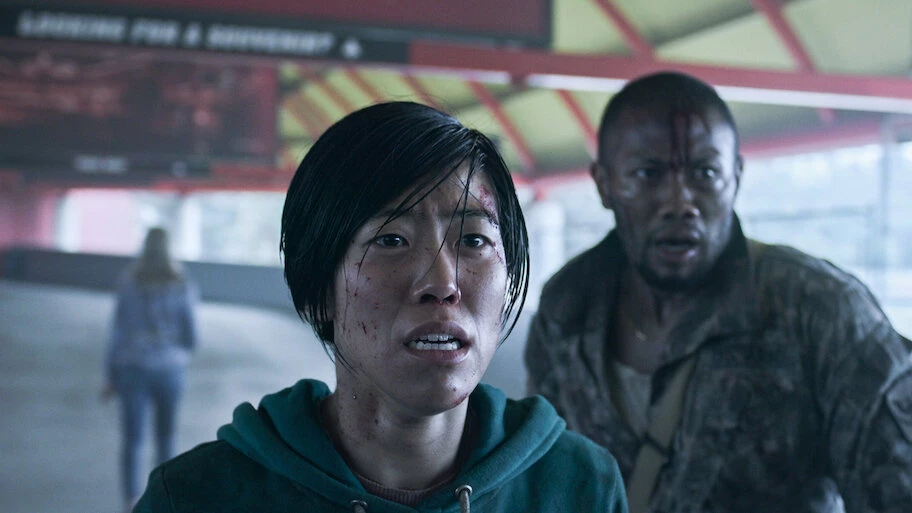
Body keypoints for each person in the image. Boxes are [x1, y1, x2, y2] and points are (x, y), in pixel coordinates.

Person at [133, 101, 627, 513]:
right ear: (318, 289)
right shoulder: (196, 498)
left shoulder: (578, 487)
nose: (442, 284)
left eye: (474, 240)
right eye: (392, 240)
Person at [524, 71, 912, 513]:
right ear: (604, 185)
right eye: (647, 174)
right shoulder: (568, 306)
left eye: (705, 172)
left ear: (736, 177)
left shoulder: (819, 310)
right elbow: (542, 480)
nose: (679, 202)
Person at [102, 227, 198, 512]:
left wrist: (110, 374)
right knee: (166, 437)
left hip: (133, 368)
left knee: (133, 439)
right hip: (170, 370)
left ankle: (131, 500)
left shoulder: (128, 281)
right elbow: (192, 335)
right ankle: (164, 500)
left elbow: (117, 332)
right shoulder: (182, 283)